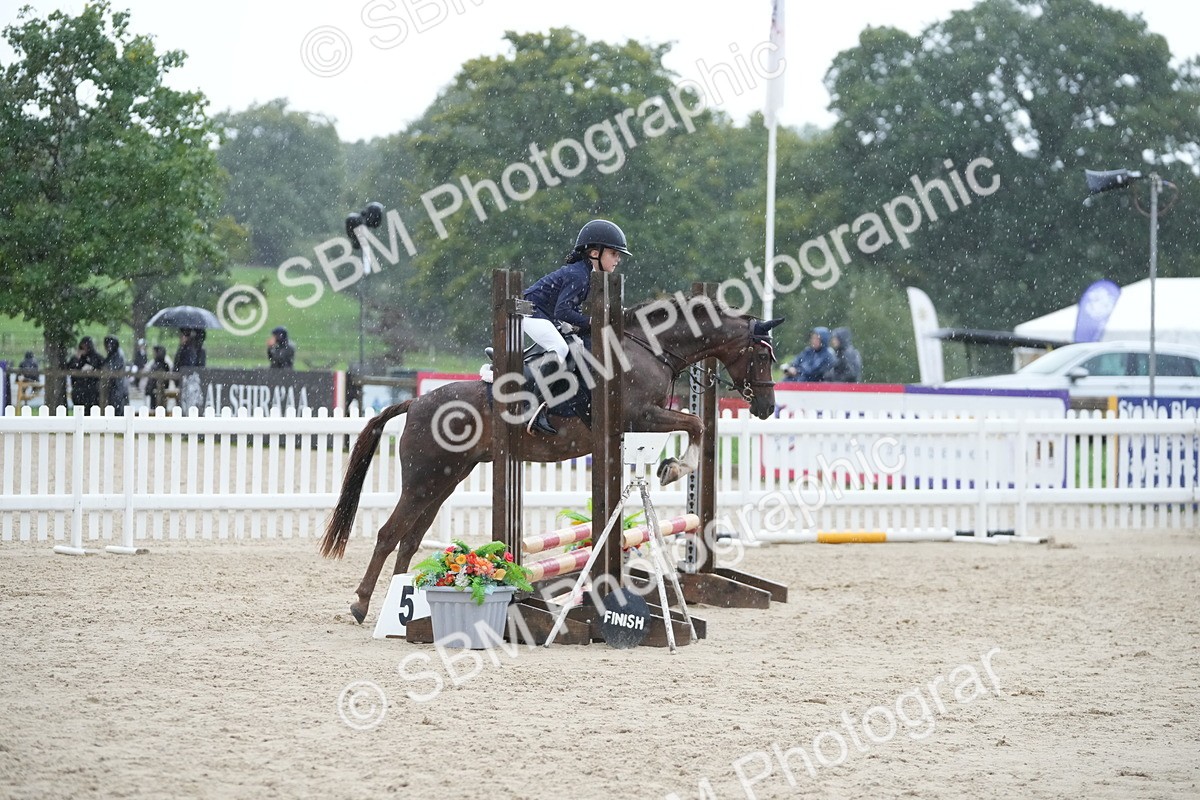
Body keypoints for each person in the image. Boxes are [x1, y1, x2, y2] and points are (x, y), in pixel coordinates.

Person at [520, 219, 631, 435]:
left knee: (575, 344)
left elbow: (569, 312)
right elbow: (563, 311)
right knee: (560, 348)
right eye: (613, 253)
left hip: (544, 314)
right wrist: (592, 322)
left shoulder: (585, 273)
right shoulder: (579, 275)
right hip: (530, 312)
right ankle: (533, 408)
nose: (617, 259)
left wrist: (587, 324)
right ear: (594, 253)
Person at [65, 336, 104, 413]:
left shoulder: (96, 357)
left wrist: (92, 369)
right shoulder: (77, 358)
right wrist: (77, 358)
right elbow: (70, 367)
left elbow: (100, 367)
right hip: (78, 389)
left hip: (92, 390)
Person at [102, 335, 130, 414]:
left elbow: (113, 370)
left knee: (118, 411)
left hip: (118, 387)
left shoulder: (117, 355)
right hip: (116, 387)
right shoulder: (113, 354)